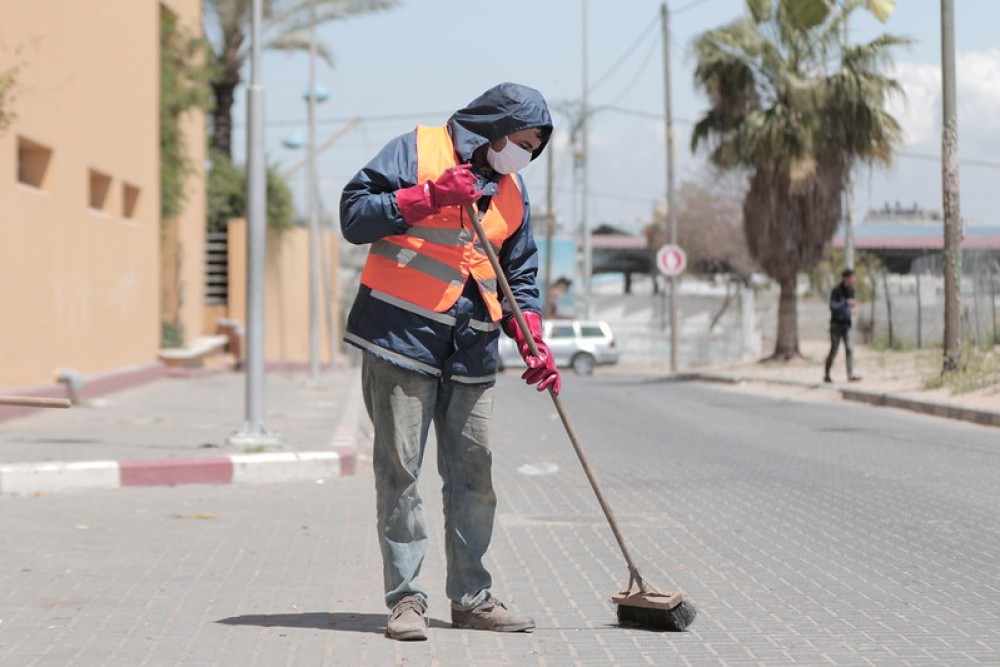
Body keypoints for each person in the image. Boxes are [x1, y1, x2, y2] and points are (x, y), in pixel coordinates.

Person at [340, 82, 561, 641]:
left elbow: (520, 275)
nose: (527, 155)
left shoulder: (512, 192)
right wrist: (427, 196)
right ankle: (406, 601)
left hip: (473, 348)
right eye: (525, 141)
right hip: (402, 337)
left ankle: (471, 598)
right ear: (496, 128)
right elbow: (354, 216)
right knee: (401, 475)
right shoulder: (415, 151)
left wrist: (531, 335)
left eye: (536, 147)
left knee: (474, 476)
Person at [824, 268, 862, 383]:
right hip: (836, 325)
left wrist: (853, 308)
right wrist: (846, 302)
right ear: (846, 278)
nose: (854, 280)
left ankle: (850, 374)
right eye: (852, 277)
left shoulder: (851, 290)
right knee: (834, 350)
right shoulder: (836, 290)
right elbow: (833, 307)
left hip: (846, 325)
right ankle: (827, 374)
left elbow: (851, 305)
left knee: (849, 349)